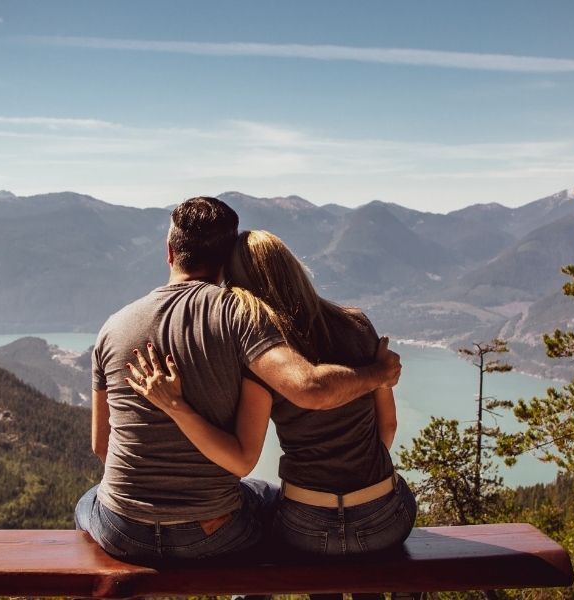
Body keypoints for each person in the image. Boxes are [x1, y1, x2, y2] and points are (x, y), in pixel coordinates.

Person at [75, 198, 402, 566]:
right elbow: (305, 394)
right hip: (213, 531)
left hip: (123, 529)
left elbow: (102, 446)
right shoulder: (241, 317)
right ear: (227, 258)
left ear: (169, 252)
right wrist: (378, 374)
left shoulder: (112, 327)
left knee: (87, 502)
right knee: (264, 498)